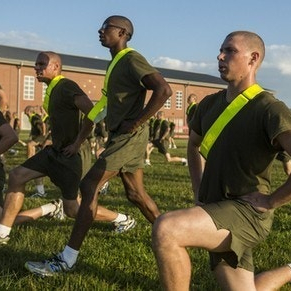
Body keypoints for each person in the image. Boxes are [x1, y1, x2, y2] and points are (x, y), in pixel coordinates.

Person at [24, 15, 172, 276]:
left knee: (89, 184)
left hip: (129, 136)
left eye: (107, 28)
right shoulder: (116, 63)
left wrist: (136, 122)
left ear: (123, 32)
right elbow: (104, 107)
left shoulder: (130, 59)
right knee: (135, 194)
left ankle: (67, 259)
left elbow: (163, 90)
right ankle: (172, 236)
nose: (100, 31)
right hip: (121, 136)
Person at [152, 31, 291, 290]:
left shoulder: (270, 109)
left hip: (247, 213)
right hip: (216, 208)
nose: (220, 56)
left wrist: (272, 200)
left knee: (167, 229)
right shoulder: (209, 104)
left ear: (253, 59)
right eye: (221, 50)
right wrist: (198, 188)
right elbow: (193, 145)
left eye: (230, 50)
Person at [0, 50, 136, 247]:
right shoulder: (52, 89)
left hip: (72, 156)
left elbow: (92, 112)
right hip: (54, 152)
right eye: (36, 64)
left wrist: (77, 143)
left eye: (41, 64)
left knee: (72, 209)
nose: (36, 68)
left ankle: (122, 219)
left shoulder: (66, 86)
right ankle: (3, 233)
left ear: (55, 67)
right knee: (16, 176)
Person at [24, 105, 47, 197]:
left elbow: (42, 124)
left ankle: (30, 160)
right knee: (37, 169)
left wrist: (43, 134)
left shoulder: (34, 117)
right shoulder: (32, 118)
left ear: (28, 111)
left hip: (42, 139)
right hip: (41, 140)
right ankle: (41, 192)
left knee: (30, 145)